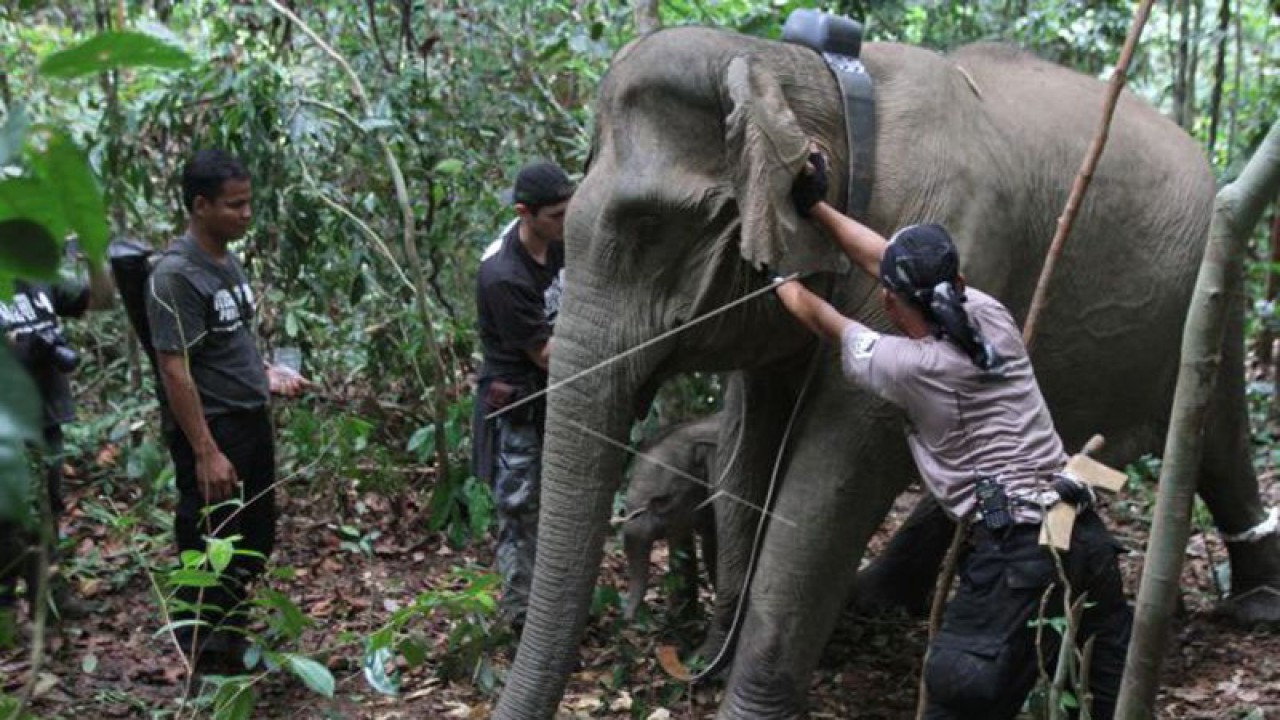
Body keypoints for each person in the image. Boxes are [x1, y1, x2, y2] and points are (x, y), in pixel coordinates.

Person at [774, 152, 1132, 719]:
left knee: (960, 688)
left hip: (1020, 545)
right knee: (1103, 690)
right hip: (1079, 528)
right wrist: (815, 207)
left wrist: (778, 277)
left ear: (890, 302)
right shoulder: (989, 315)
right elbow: (884, 258)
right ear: (957, 281)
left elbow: (823, 318)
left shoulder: (908, 365)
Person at [145, 149, 308, 670]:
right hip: (214, 430)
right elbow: (176, 368)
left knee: (254, 538)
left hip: (249, 419)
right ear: (200, 205)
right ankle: (207, 661)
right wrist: (205, 451)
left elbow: (228, 338)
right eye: (234, 206)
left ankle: (231, 641)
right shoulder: (175, 276)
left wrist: (265, 373)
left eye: (248, 203)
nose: (246, 214)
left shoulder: (225, 259)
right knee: (211, 540)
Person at [471, 160, 573, 629]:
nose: (565, 221)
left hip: (556, 398)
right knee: (518, 509)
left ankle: (552, 604)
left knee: (557, 503)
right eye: (555, 215)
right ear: (524, 213)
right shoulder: (503, 274)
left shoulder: (559, 243)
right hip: (517, 403)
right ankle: (519, 615)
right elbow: (548, 355)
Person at [0, 254, 114, 641]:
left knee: (47, 508)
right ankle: (5, 611)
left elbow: (97, 300)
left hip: (45, 415)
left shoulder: (36, 271)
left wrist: (97, 257)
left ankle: (47, 598)